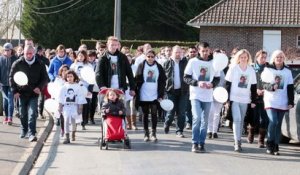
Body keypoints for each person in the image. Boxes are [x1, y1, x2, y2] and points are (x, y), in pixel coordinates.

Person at [184, 42, 220, 153]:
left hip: (208, 96)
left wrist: (212, 84)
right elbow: (186, 77)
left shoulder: (214, 63)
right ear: (199, 51)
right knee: (197, 118)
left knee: (205, 121)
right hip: (195, 95)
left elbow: (217, 78)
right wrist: (197, 83)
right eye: (203, 51)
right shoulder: (193, 61)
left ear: (210, 51)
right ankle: (194, 143)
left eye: (207, 51)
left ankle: (202, 143)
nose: (205, 53)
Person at [9, 45, 48, 142]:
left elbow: (45, 78)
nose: (28, 55)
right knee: (23, 113)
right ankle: (24, 130)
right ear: (23, 53)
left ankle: (32, 133)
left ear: (34, 53)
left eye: (30, 53)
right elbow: (11, 78)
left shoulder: (40, 63)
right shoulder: (17, 63)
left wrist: (39, 87)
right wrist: (15, 91)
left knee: (32, 114)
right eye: (26, 53)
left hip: (34, 94)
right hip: (21, 93)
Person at [262, 50, 294, 155]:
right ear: (273, 59)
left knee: (278, 124)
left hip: (282, 100)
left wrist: (291, 101)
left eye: (281, 57)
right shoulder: (268, 69)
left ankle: (275, 146)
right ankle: (269, 143)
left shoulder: (287, 71)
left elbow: (290, 87)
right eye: (277, 57)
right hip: (270, 100)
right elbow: (263, 84)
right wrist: (271, 87)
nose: (279, 59)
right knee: (273, 121)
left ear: (283, 58)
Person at [225, 49, 257, 152]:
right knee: (237, 119)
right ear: (238, 58)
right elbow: (228, 84)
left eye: (245, 57)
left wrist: (253, 100)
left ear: (248, 58)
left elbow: (253, 86)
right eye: (241, 57)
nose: (243, 59)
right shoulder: (233, 68)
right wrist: (227, 99)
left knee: (242, 120)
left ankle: (238, 139)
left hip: (245, 99)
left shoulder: (251, 70)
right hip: (234, 98)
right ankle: (237, 142)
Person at [135, 49, 166, 142]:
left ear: (155, 57)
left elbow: (163, 80)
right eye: (148, 56)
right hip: (144, 93)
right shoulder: (141, 65)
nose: (150, 58)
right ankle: (146, 133)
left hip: (155, 94)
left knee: (154, 114)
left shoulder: (158, 67)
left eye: (152, 56)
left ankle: (153, 133)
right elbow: (136, 78)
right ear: (145, 56)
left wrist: (161, 94)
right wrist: (135, 90)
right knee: (145, 114)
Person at [163, 45, 189, 138]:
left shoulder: (185, 62)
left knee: (181, 112)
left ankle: (179, 130)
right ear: (172, 53)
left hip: (183, 91)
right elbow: (163, 78)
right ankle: (167, 123)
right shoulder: (166, 63)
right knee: (170, 112)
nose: (178, 54)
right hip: (171, 91)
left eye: (179, 52)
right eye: (176, 52)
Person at [58, 70, 87, 144]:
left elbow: (80, 97)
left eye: (71, 76)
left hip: (74, 106)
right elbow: (61, 97)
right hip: (66, 107)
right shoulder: (64, 87)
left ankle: (73, 133)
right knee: (66, 120)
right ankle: (67, 137)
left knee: (73, 121)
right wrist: (60, 106)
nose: (69, 78)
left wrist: (80, 107)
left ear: (74, 77)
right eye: (68, 77)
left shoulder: (77, 86)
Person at [247, 50, 268, 148]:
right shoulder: (251, 69)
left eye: (265, 57)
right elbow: (248, 83)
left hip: (265, 97)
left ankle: (261, 140)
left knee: (264, 119)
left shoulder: (269, 69)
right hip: (254, 97)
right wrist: (255, 91)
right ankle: (250, 133)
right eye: (261, 57)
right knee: (254, 118)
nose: (263, 59)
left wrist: (265, 90)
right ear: (257, 58)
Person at [0, 43, 18, 125]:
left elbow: (18, 72)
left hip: (12, 83)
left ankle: (10, 118)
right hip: (3, 83)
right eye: (5, 50)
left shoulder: (16, 59)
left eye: (8, 50)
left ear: (11, 50)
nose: (6, 52)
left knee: (10, 100)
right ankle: (6, 117)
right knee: (5, 101)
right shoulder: (1, 59)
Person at [185, 46, 198, 130]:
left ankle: (195, 122)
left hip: (196, 88)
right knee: (187, 107)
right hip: (186, 87)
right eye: (191, 52)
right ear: (188, 53)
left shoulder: (199, 62)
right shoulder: (184, 62)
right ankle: (189, 122)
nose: (192, 53)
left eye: (194, 52)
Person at [35, 46, 50, 119]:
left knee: (41, 98)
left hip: (43, 81)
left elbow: (48, 70)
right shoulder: (34, 58)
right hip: (35, 80)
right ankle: (36, 112)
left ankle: (40, 113)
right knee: (35, 97)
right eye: (38, 51)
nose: (40, 52)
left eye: (41, 51)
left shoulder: (46, 60)